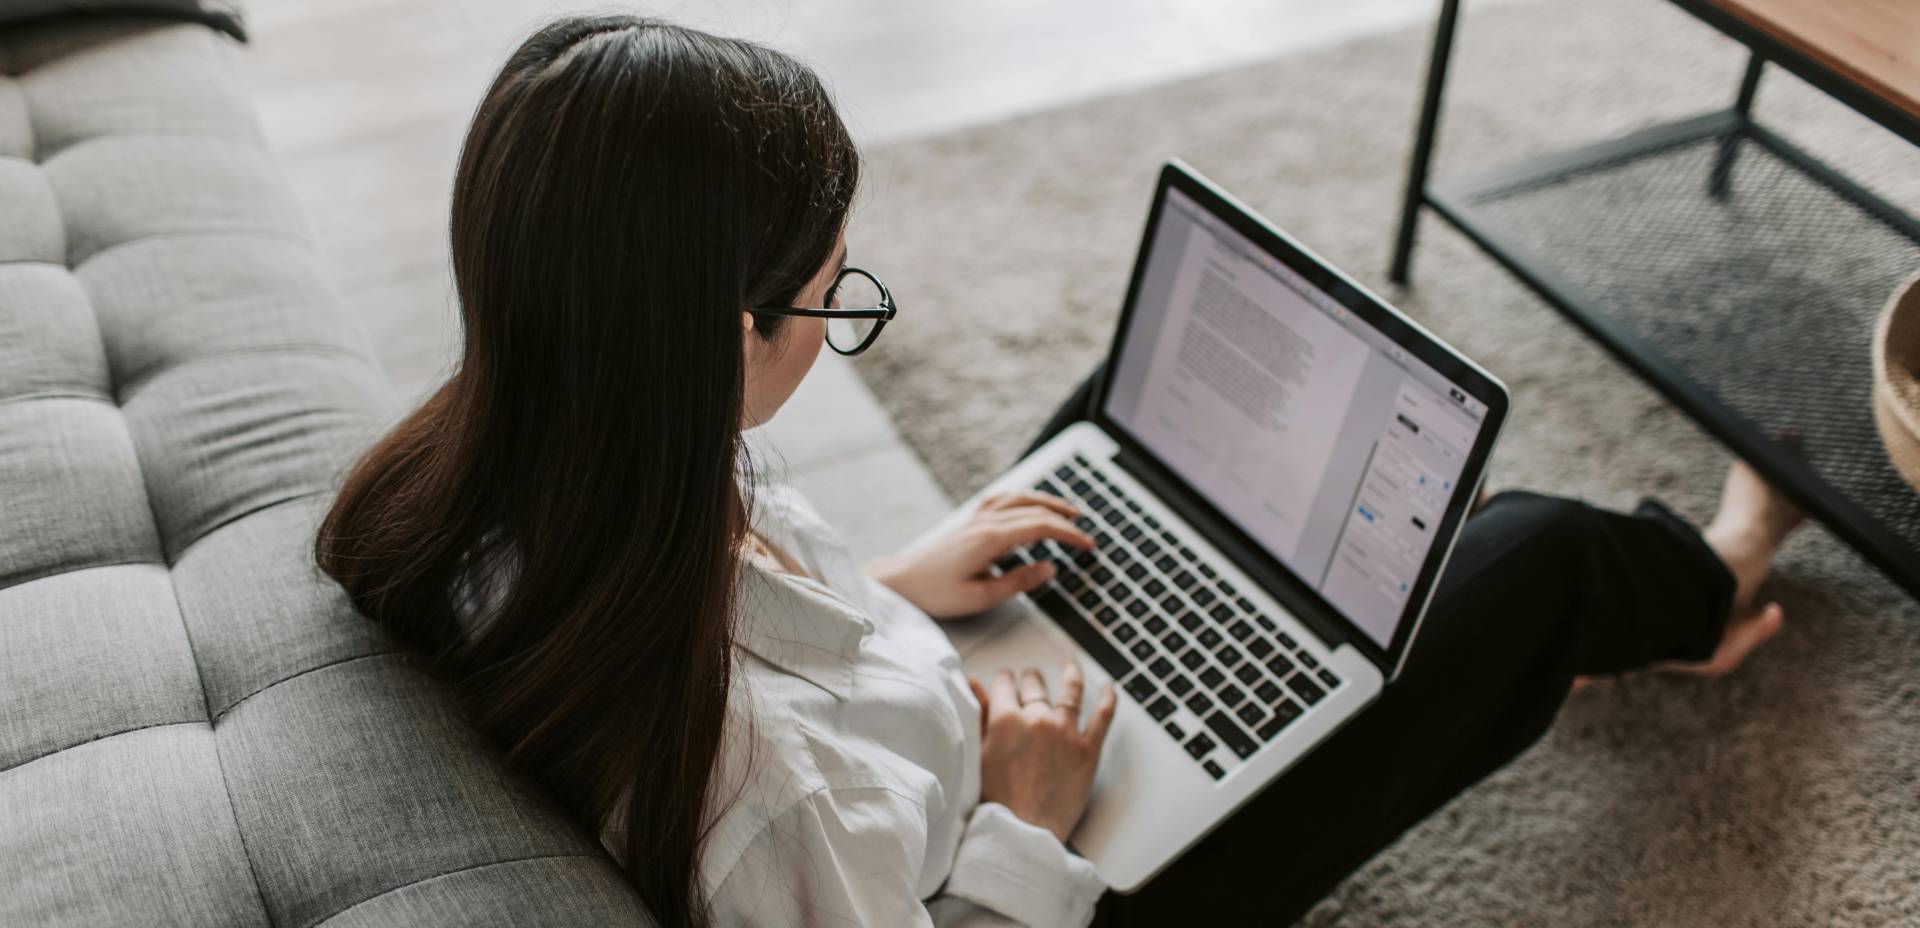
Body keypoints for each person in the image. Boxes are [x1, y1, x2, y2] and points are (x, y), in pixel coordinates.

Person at [314, 14, 1803, 928]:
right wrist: (1027, 813)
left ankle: (1366, 553)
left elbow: (727, 630)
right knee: (1539, 554)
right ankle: (1708, 582)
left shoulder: (528, 460)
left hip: (921, 711)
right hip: (1055, 870)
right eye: (832, 302)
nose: (843, 318)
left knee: (1127, 438)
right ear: (721, 334)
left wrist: (894, 588)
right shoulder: (761, 810)